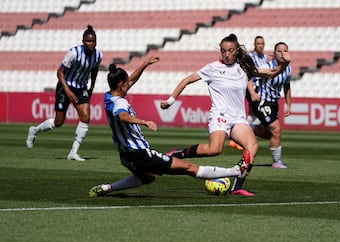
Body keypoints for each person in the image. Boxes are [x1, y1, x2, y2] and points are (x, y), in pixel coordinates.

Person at [88, 57, 249, 197]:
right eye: (126, 83)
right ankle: (235, 171)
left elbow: (130, 80)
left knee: (147, 178)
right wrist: (144, 122)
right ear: (121, 84)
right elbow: (123, 116)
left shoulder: (109, 96)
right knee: (189, 168)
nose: (129, 84)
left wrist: (145, 64)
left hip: (125, 157)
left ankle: (108, 188)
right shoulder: (119, 103)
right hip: (141, 154)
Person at [160, 34, 286, 196]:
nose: (226, 54)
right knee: (215, 149)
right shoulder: (212, 68)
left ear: (236, 51)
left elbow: (271, 73)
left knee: (252, 147)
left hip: (238, 119)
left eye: (230, 51)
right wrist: (170, 101)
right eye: (223, 51)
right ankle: (177, 154)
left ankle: (237, 187)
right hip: (220, 116)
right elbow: (187, 80)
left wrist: (285, 63)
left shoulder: (244, 68)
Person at [26, 25, 102, 161]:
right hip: (65, 86)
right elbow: (59, 72)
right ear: (83, 41)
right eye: (88, 41)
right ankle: (34, 130)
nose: (91, 43)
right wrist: (67, 90)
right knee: (59, 121)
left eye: (93, 41)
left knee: (85, 118)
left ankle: (73, 152)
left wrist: (92, 87)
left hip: (81, 88)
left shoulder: (98, 55)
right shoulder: (74, 53)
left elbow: (95, 71)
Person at [247, 42, 292, 169]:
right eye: (279, 51)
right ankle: (276, 161)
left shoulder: (288, 69)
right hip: (262, 101)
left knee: (269, 134)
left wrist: (288, 104)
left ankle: (249, 128)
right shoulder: (266, 66)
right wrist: (252, 92)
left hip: (274, 103)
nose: (283, 53)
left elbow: (287, 87)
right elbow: (249, 76)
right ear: (274, 54)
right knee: (276, 129)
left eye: (285, 51)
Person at [229, 35, 268, 150]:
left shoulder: (264, 57)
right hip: (251, 87)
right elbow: (248, 73)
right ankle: (241, 137)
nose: (260, 46)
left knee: (253, 113)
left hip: (260, 89)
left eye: (262, 44)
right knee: (255, 111)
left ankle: (241, 138)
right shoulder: (250, 56)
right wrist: (251, 91)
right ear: (254, 45)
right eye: (258, 44)